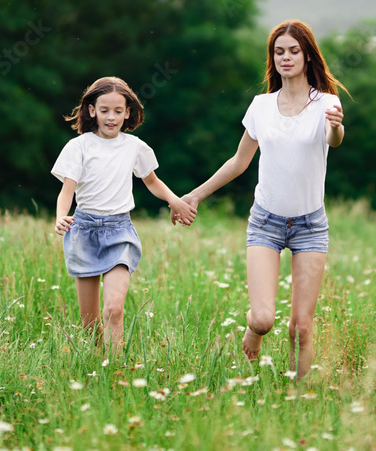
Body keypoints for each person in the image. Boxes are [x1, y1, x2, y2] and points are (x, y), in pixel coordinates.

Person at [178, 20, 347, 379]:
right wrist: (195, 195)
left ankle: (297, 396)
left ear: (307, 56)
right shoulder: (261, 106)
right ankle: (252, 338)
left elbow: (334, 139)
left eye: (294, 51)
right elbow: (239, 162)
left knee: (300, 327)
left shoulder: (326, 104)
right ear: (273, 58)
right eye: (279, 51)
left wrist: (335, 125)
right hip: (265, 224)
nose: (286, 57)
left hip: (310, 226)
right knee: (264, 318)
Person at [53, 76, 196, 352]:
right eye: (104, 110)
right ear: (92, 110)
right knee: (90, 325)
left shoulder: (134, 146)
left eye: (118, 111)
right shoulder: (78, 147)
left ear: (128, 112)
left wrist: (175, 201)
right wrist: (61, 215)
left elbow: (152, 181)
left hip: (119, 232)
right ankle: (98, 366)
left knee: (114, 310)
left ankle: (115, 369)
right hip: (83, 231)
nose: (111, 117)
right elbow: (67, 190)